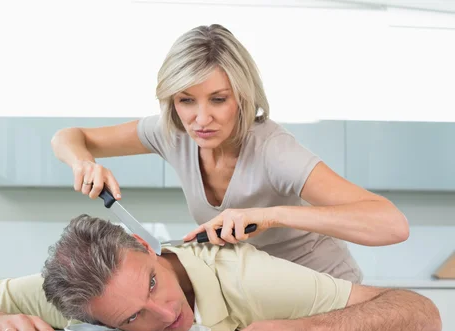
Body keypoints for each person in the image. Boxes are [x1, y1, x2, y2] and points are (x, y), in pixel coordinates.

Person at [51, 24, 410, 284]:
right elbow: (69, 136)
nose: (201, 119)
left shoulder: (273, 151)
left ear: (243, 96)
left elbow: (392, 224)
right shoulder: (172, 132)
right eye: (186, 100)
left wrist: (270, 216)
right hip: (264, 292)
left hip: (327, 288)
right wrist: (83, 162)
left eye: (218, 99)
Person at [0, 215, 440, 331]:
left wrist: (309, 329)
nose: (166, 310)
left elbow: (418, 310)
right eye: (133, 319)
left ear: (143, 244)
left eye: (153, 283)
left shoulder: (245, 277)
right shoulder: (73, 293)